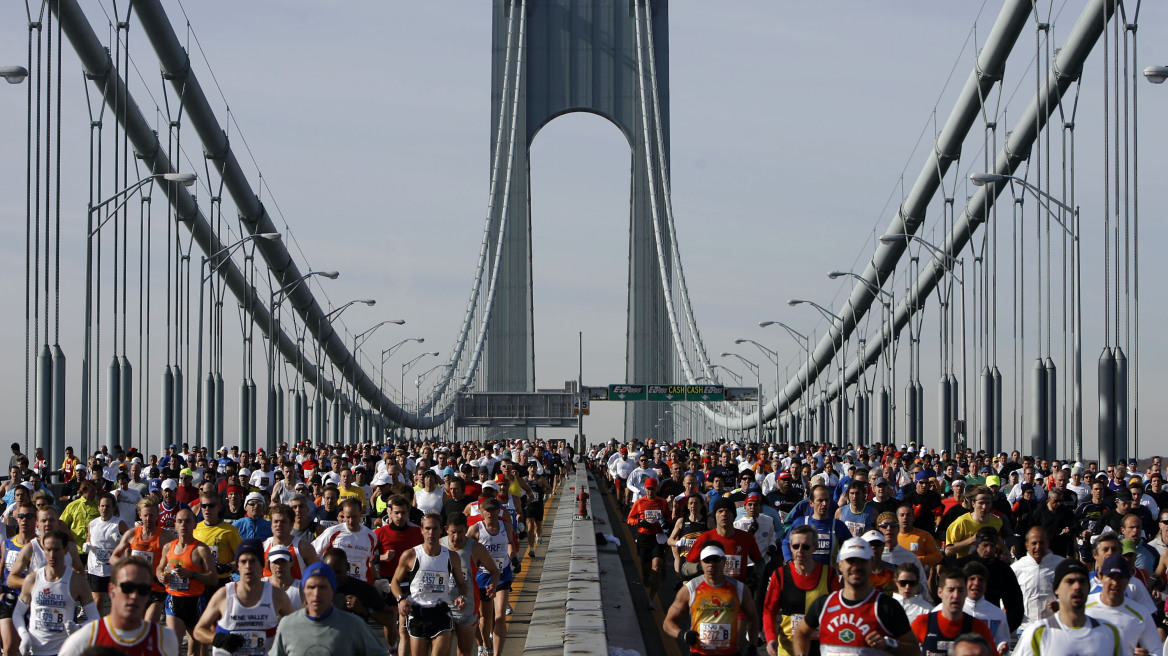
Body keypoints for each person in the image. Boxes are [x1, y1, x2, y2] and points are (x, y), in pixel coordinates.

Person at [794, 538, 919, 656]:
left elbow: (915, 651)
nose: (856, 566)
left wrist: (889, 644)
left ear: (871, 564)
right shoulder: (824, 604)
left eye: (862, 561)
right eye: (851, 561)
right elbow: (800, 633)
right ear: (840, 565)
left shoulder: (887, 607)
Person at [56, 557, 180, 656]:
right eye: (127, 588)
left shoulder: (166, 639)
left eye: (143, 589)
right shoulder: (84, 639)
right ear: (111, 590)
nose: (134, 596)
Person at [193, 539, 293, 656]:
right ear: (237, 566)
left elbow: (296, 627)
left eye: (252, 561)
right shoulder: (224, 594)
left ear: (262, 565)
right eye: (243, 562)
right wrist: (219, 639)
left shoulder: (276, 595)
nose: (248, 566)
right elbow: (198, 631)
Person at [270, 562, 388, 656]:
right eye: (311, 587)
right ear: (304, 590)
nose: (316, 594)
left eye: (322, 587)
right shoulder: (288, 625)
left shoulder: (354, 626)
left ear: (332, 590)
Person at [390, 513, 468, 656]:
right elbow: (395, 582)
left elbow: (462, 584)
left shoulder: (452, 556)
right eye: (427, 528)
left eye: (434, 528)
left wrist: (461, 596)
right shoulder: (411, 555)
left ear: (441, 530)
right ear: (421, 530)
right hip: (417, 613)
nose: (431, 532)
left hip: (441, 612)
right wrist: (401, 599)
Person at [663, 544, 759, 656]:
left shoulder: (739, 588)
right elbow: (668, 622)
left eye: (716, 560)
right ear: (701, 563)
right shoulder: (690, 589)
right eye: (707, 560)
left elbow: (753, 617)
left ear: (724, 562)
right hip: (700, 652)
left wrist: (753, 646)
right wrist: (682, 635)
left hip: (729, 653)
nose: (711, 565)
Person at [12, 530, 97, 656]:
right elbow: (18, 613)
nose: (52, 555)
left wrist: (79, 628)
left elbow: (95, 618)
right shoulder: (32, 579)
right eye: (48, 550)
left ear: (66, 550)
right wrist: (24, 635)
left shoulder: (76, 581)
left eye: (56, 550)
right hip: (36, 649)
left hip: (64, 650)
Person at [1013, 559, 1122, 656]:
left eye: (1082, 581)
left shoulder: (1108, 632)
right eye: (1070, 581)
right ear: (1056, 589)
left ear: (1088, 588)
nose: (1077, 587)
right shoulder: (1037, 633)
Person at [762, 524, 839, 656]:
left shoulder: (829, 574)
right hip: (788, 649)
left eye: (806, 546)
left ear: (815, 547)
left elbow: (838, 611)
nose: (800, 551)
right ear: (790, 547)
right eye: (795, 546)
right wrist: (771, 639)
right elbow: (769, 611)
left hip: (820, 649)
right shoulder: (780, 575)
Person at [158, 508, 218, 656]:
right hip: (174, 601)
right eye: (179, 521)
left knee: (193, 652)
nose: (183, 525)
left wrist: (192, 574)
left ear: (194, 525)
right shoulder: (168, 547)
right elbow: (159, 569)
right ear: (175, 526)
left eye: (187, 521)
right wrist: (161, 577)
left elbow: (213, 578)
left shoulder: (201, 549)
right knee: (174, 648)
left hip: (195, 602)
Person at [441, 513, 499, 656]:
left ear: (466, 529)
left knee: (464, 650)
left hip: (467, 605)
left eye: (460, 532)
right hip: (442, 605)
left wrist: (493, 585)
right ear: (446, 529)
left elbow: (494, 571)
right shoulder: (439, 545)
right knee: (442, 650)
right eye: (453, 532)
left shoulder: (475, 548)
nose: (456, 537)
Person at [1084, 554, 1162, 656]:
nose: (1115, 583)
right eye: (1111, 577)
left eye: (1120, 578)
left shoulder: (1141, 613)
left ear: (1128, 580)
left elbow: (1156, 651)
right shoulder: (1083, 608)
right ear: (1101, 577)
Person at [910, 568, 995, 656]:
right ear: (940, 592)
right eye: (951, 590)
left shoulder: (978, 627)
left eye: (960, 590)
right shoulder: (923, 622)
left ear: (966, 592)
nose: (956, 595)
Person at [467, 498, 515, 656]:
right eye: (487, 510)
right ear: (481, 512)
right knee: (485, 617)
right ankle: (486, 645)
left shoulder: (506, 526)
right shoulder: (476, 529)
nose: (490, 513)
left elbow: (510, 543)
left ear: (499, 511)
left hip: (502, 574)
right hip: (483, 576)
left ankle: (497, 654)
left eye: (494, 510)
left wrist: (513, 557)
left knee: (500, 615)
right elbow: (465, 549)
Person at [110, 498, 169, 622]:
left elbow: (175, 557)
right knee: (135, 625)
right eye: (145, 515)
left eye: (152, 515)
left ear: (157, 515)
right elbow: (113, 558)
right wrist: (127, 566)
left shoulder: (165, 536)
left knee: (149, 624)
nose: (148, 519)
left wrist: (166, 573)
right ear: (140, 515)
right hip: (135, 587)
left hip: (156, 588)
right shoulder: (131, 534)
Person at [626, 476, 671, 609]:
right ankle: (646, 578)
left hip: (658, 538)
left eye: (653, 489)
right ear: (645, 489)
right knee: (646, 569)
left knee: (656, 567)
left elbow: (668, 517)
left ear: (656, 489)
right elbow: (630, 519)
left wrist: (665, 522)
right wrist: (640, 522)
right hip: (644, 537)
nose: (651, 491)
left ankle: (651, 598)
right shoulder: (639, 503)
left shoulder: (662, 502)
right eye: (649, 489)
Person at [313, 498, 378, 585]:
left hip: (360, 585)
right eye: (348, 517)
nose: (350, 521)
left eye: (354, 517)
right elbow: (312, 553)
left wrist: (376, 580)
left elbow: (368, 562)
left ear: (361, 514)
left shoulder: (371, 536)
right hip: (336, 584)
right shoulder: (332, 532)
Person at [782, 485, 852, 565]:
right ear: (811, 503)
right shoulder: (800, 523)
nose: (824, 504)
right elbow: (786, 543)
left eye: (827, 500)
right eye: (820, 500)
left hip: (828, 575)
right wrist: (790, 560)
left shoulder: (838, 525)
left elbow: (851, 547)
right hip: (804, 575)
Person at [1010, 526, 1064, 629]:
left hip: (1054, 626)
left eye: (1042, 543)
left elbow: (1070, 593)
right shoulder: (1016, 568)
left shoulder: (1062, 565)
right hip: (1025, 628)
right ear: (1027, 545)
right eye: (1034, 543)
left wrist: (1060, 604)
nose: (1038, 547)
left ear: (1048, 544)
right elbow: (1007, 594)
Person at [84, 493, 130, 610]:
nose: (105, 509)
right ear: (98, 507)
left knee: (116, 602)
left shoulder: (119, 523)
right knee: (97, 601)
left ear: (113, 508)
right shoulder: (92, 524)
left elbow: (129, 542)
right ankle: (99, 627)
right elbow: (89, 537)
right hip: (96, 568)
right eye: (103, 506)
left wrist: (121, 541)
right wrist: (87, 544)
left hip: (113, 570)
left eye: (108, 506)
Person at [959, 562, 1009, 654]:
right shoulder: (952, 610)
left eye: (981, 580)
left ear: (986, 585)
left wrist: (1002, 647)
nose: (977, 583)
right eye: (972, 579)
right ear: (964, 583)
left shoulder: (997, 614)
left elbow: (1003, 641)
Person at [261, 504, 318, 580]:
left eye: (283, 522)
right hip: (268, 591)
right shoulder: (263, 547)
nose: (279, 525)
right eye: (276, 521)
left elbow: (317, 576)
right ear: (271, 524)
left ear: (291, 524)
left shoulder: (304, 548)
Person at [262, 547, 302, 611]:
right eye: (275, 562)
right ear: (269, 564)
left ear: (291, 563)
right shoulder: (260, 585)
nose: (279, 566)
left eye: (283, 561)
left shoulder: (302, 587)